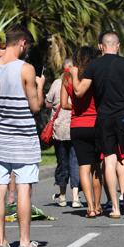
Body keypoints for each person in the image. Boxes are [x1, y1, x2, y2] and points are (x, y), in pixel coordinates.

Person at [71, 31, 124, 219]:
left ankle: (115, 208)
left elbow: (79, 91)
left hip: (104, 118)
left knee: (109, 159)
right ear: (118, 46)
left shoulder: (93, 65)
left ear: (100, 46)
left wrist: (75, 73)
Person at [0, 25, 49, 247]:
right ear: (21, 43)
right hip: (24, 138)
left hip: (1, 138)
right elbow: (36, 107)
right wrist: (39, 86)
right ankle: (25, 243)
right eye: (27, 45)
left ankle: (0, 241)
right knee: (23, 190)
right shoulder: (26, 69)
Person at [61, 46, 102, 218]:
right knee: (96, 169)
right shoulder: (94, 75)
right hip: (96, 124)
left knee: (83, 167)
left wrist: (78, 109)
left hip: (77, 125)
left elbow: (64, 104)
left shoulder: (67, 76)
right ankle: (99, 205)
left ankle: (90, 207)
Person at [47, 59, 80, 208]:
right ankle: (75, 197)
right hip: (75, 128)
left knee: (62, 162)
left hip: (59, 130)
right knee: (75, 162)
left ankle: (62, 196)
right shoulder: (79, 84)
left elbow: (47, 103)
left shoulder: (56, 83)